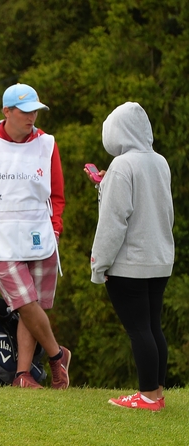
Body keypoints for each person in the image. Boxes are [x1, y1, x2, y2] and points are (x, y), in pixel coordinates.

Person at [0, 83, 71, 389]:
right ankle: (57, 355)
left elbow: (57, 194)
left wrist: (56, 227)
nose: (31, 116)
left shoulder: (46, 143)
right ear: (7, 111)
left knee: (34, 307)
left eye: (35, 110)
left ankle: (22, 375)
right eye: (24, 111)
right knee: (24, 303)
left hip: (40, 234)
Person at [87, 102, 174, 411]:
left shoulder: (123, 166)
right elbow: (162, 210)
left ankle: (148, 396)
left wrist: (99, 264)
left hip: (129, 264)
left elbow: (114, 221)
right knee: (152, 327)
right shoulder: (159, 162)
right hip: (159, 258)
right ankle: (156, 392)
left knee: (139, 330)